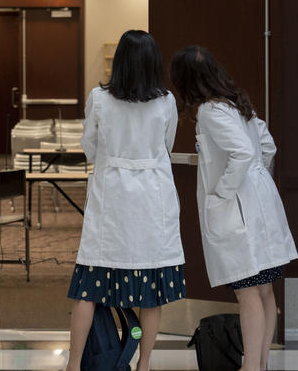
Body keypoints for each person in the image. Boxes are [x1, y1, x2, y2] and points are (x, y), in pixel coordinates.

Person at [169, 45, 298, 371]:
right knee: (265, 289)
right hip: (258, 203)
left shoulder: (211, 111)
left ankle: (250, 366)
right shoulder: (238, 104)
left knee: (248, 291)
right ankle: (261, 363)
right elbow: (266, 147)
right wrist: (256, 184)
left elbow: (241, 153)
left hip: (238, 208)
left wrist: (222, 192)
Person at [65, 30, 185, 371]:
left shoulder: (99, 99)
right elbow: (168, 146)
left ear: (119, 61)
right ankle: (144, 364)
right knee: (151, 290)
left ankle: (74, 366)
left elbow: (89, 146)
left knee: (89, 286)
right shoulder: (166, 102)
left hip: (112, 198)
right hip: (153, 200)